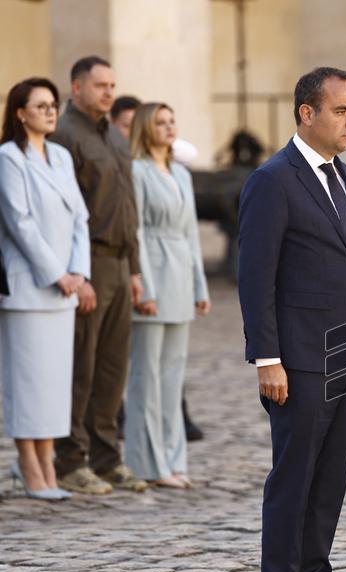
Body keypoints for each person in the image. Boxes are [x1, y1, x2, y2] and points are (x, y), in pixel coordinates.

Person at [237, 67, 346, 572]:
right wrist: (266, 358)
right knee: (293, 482)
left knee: (328, 483)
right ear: (306, 112)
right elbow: (256, 276)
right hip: (296, 360)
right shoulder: (273, 180)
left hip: (345, 353)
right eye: (342, 111)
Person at [50, 55, 148, 495]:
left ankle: (107, 459)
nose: (109, 92)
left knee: (111, 369)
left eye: (112, 85)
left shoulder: (114, 136)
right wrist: (77, 272)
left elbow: (128, 208)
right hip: (87, 262)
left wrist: (135, 269)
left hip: (120, 264)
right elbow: (62, 213)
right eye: (100, 85)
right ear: (77, 88)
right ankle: (71, 461)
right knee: (80, 367)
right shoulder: (64, 135)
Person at [0, 78, 90, 501]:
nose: (51, 111)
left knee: (54, 383)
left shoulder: (60, 156)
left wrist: (78, 272)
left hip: (64, 289)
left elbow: (80, 219)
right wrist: (57, 273)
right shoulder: (8, 157)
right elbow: (20, 223)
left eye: (53, 104)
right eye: (41, 106)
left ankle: (48, 463)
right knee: (28, 382)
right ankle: (28, 464)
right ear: (20, 113)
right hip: (28, 287)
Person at [124, 102, 210, 489]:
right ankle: (147, 463)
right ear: (146, 127)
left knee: (173, 378)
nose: (168, 127)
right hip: (153, 277)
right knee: (147, 377)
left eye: (172, 121)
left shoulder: (180, 173)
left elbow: (190, 233)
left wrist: (199, 286)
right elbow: (136, 231)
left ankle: (174, 460)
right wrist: (145, 286)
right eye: (160, 122)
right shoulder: (137, 171)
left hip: (179, 274)